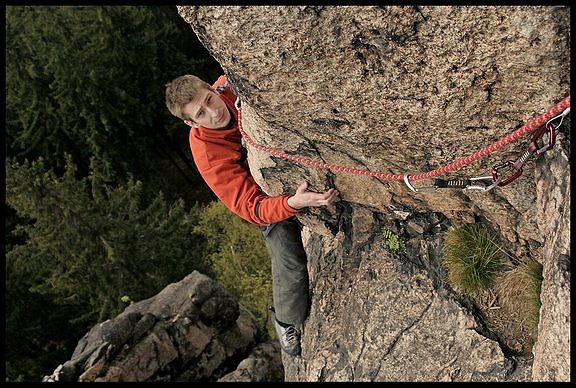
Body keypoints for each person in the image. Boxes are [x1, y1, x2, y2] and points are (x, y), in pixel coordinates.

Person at [165, 74, 339, 356]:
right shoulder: (208, 154)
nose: (214, 111)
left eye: (210, 99)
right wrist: (293, 203)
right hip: (262, 198)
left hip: (278, 162)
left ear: (212, 88)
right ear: (191, 123)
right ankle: (286, 321)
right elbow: (251, 209)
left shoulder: (232, 84)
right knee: (290, 262)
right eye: (201, 113)